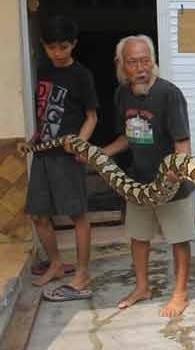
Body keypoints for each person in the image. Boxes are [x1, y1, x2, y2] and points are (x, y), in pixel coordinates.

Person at [100, 35, 194, 318]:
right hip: (138, 181)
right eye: (133, 62)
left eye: (146, 60)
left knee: (178, 239)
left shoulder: (169, 94)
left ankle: (180, 293)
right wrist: (100, 153)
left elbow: (183, 144)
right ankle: (142, 287)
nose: (141, 67)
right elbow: (128, 136)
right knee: (138, 237)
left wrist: (176, 174)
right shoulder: (122, 94)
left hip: (171, 182)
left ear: (154, 61)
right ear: (121, 65)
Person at [24, 15, 98, 302]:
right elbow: (45, 108)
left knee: (77, 215)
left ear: (73, 45)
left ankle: (82, 271)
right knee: (38, 214)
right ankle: (55, 264)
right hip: (43, 153)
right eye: (52, 47)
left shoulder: (82, 76)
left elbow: (92, 117)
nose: (57, 52)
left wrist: (80, 143)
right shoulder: (43, 70)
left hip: (68, 157)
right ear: (44, 46)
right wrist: (36, 134)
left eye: (63, 47)